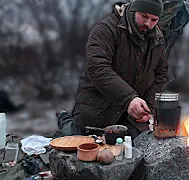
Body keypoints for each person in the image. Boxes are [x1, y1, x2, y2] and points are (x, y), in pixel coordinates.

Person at [57, 0, 168, 140]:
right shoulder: (106, 29)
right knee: (77, 139)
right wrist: (129, 99)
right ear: (134, 10)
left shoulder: (158, 39)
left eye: (154, 19)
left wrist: (148, 107)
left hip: (129, 115)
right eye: (144, 16)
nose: (148, 23)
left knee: (135, 148)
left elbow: (161, 74)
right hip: (97, 108)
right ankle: (64, 118)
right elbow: (97, 67)